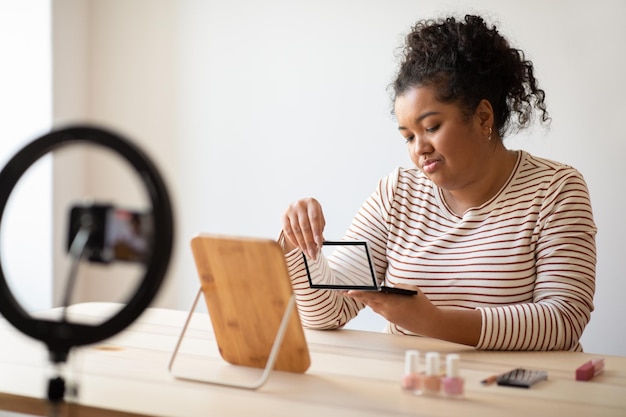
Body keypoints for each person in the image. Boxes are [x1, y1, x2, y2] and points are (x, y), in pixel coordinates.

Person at [279, 15, 596, 351]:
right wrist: (300, 245)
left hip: (518, 393)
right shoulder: (396, 194)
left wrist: (434, 322)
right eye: (408, 137)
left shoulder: (556, 190)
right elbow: (328, 312)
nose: (419, 149)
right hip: (417, 388)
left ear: (483, 118)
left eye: (431, 128)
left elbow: (563, 321)